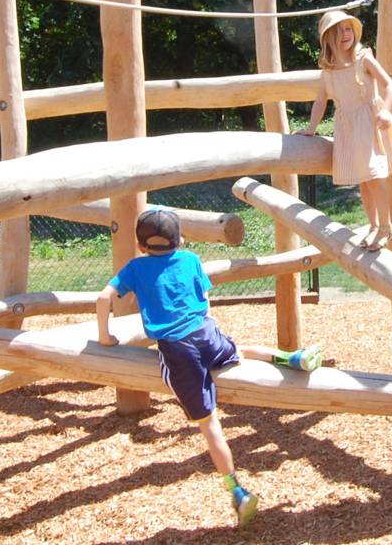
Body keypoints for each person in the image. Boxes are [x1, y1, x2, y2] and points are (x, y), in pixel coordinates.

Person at [95, 208, 323, 529]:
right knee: (239, 349)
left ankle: (237, 491)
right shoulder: (190, 259)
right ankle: (292, 358)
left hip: (177, 349)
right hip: (206, 332)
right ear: (181, 239)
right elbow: (204, 297)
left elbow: (103, 298)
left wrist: (106, 338)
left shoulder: (135, 267)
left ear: (140, 244)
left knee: (209, 421)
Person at [296, 10, 392, 251]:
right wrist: (311, 129)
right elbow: (320, 101)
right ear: (328, 37)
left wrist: (386, 111)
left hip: (369, 123)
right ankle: (373, 225)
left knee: (375, 176)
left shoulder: (363, 58)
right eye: (338, 31)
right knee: (363, 181)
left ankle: (387, 227)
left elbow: (389, 84)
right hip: (347, 128)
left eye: (348, 29)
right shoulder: (328, 70)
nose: (345, 35)